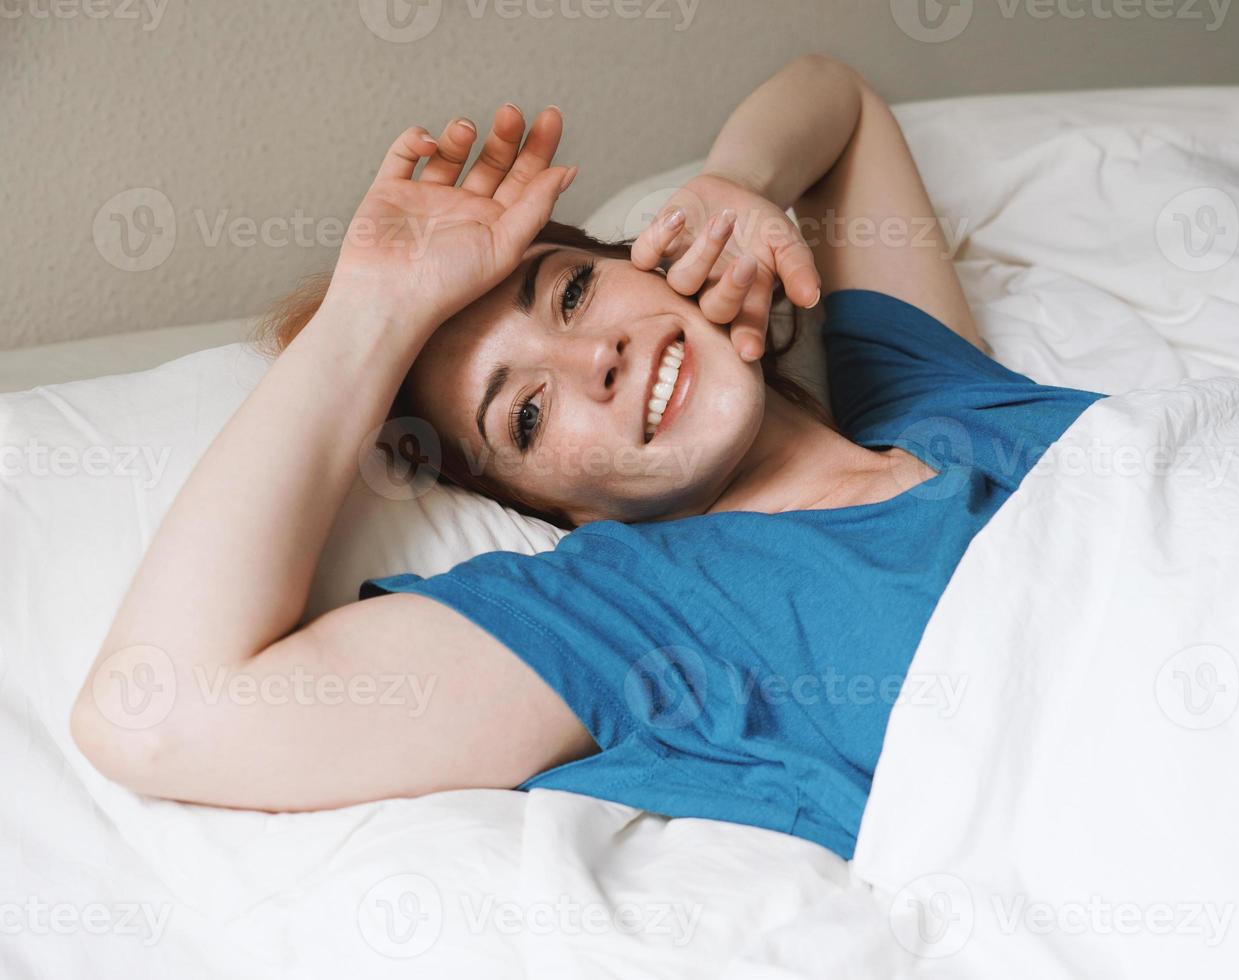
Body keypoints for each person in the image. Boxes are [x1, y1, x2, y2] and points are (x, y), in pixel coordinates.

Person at [72, 54, 1101, 859]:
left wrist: (734, 185)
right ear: (551, 503)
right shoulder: (642, 613)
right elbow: (155, 711)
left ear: (647, 262)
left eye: (569, 294)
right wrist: (369, 314)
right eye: (524, 415)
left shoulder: (928, 392)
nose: (593, 357)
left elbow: (836, 97)